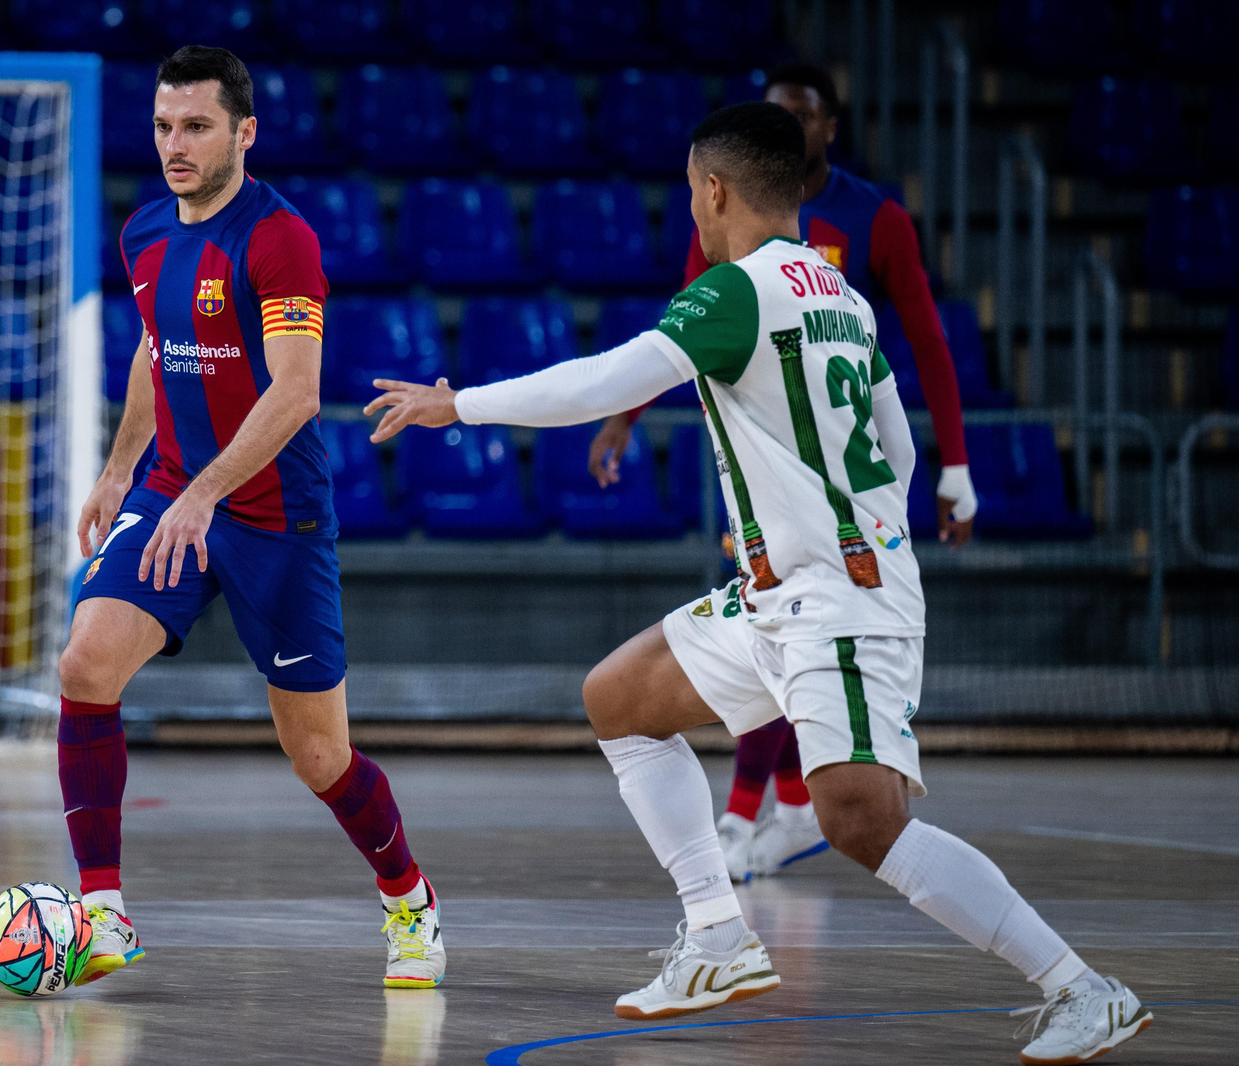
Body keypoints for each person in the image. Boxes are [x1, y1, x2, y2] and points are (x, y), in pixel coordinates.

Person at [365, 103, 1147, 1065]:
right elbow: (897, 445)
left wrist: (461, 404)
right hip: (789, 588)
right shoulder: (839, 294)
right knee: (619, 697)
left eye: (692, 190)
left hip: (838, 600)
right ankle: (719, 939)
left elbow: (606, 381)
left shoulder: (738, 291)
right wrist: (841, 531)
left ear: (716, 189)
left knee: (860, 820)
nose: (691, 208)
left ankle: (1084, 988)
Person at [58, 46, 443, 990]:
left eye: (195, 126)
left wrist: (204, 493)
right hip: (172, 495)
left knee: (319, 756)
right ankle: (103, 912)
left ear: (244, 132)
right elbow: (158, 351)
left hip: (273, 515)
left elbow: (298, 392)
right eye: (162, 126)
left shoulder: (278, 239)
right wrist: (121, 470)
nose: (174, 145)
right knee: (85, 661)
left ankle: (409, 899)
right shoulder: (145, 232)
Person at [587, 62, 979, 883]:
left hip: (830, 481)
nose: (790, 125)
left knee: (802, 661)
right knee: (765, 621)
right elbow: (672, 339)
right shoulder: (739, 249)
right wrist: (624, 419)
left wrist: (958, 467)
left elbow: (928, 346)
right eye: (776, 115)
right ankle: (767, 818)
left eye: (803, 114)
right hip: (766, 458)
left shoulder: (871, 221)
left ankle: (765, 815)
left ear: (828, 129)